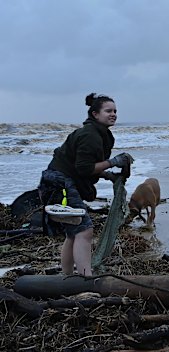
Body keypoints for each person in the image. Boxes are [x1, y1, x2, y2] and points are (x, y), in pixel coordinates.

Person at [38, 93, 133, 277]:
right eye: (108, 111)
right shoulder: (90, 135)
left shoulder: (101, 134)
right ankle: (85, 277)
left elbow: (86, 165)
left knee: (73, 233)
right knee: (84, 230)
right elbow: (84, 168)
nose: (113, 114)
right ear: (95, 114)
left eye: (115, 111)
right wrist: (114, 162)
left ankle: (66, 277)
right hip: (59, 183)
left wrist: (108, 175)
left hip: (57, 181)